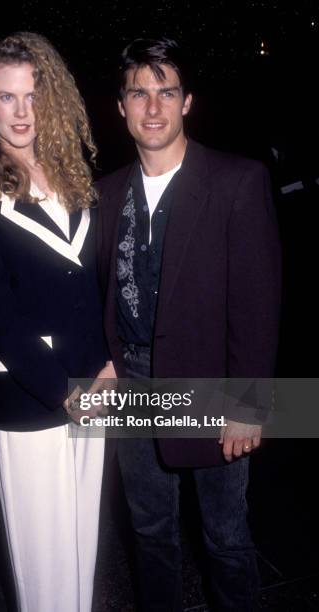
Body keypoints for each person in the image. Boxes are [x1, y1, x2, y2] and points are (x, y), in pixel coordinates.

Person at [97, 38, 281, 611]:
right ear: (121, 107)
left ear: (188, 102)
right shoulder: (103, 195)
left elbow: (258, 302)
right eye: (139, 93)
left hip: (211, 382)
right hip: (132, 383)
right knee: (151, 537)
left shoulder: (236, 181)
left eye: (167, 92)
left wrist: (250, 403)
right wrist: (102, 360)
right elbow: (95, 293)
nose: (153, 108)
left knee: (225, 540)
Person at [0, 31, 115, 612]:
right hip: (30, 390)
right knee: (43, 564)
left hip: (96, 383)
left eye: (32, 96)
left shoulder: (73, 175)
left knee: (81, 547)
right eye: (6, 97)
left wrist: (107, 363)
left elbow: (94, 283)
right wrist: (62, 391)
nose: (21, 112)